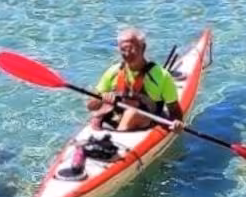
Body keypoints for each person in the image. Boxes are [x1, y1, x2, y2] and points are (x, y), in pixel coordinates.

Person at [56, 27, 183, 178]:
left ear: (143, 48)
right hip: (116, 119)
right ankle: (94, 144)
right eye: (123, 49)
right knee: (101, 111)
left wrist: (176, 125)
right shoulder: (114, 71)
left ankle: (112, 147)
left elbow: (176, 113)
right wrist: (101, 98)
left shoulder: (161, 76)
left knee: (132, 112)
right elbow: (91, 106)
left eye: (132, 49)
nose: (127, 54)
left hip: (145, 120)